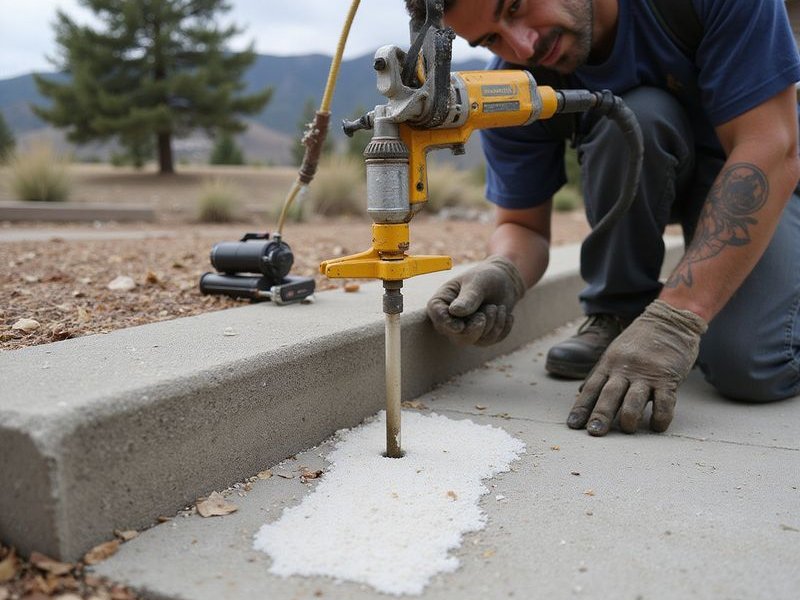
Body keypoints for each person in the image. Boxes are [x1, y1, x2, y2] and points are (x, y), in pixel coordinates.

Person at [405, 0, 800, 435]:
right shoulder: (513, 88)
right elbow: (523, 225)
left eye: (516, 7)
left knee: (750, 363)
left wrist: (678, 318)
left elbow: (772, 149)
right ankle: (620, 314)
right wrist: (505, 271)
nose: (524, 44)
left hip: (767, 172)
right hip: (661, 161)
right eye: (492, 39)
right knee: (634, 118)